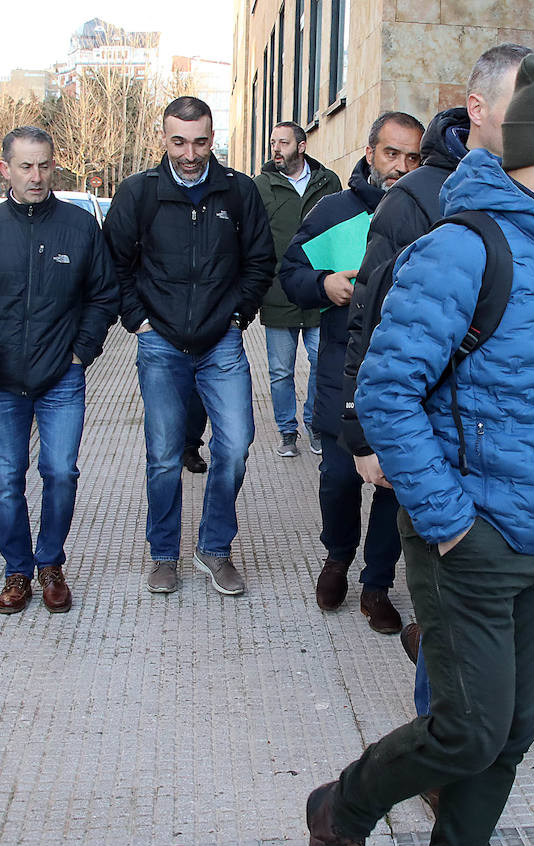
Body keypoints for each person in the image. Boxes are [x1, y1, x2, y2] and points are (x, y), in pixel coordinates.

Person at [302, 54, 534, 846]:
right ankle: (342, 809)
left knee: (514, 731)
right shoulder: (458, 247)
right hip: (469, 541)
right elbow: (385, 392)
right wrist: (449, 523)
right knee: (468, 728)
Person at [0, 125, 119, 615]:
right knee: (7, 478)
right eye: (25, 166)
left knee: (60, 471)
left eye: (44, 166)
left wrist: (82, 351)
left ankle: (51, 562)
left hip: (62, 376)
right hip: (0, 383)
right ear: (5, 169)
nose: (36, 177)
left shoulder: (79, 228)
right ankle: (18, 570)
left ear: (54, 165)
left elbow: (104, 295)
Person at [103, 96, 275, 596]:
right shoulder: (139, 193)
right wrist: (137, 321)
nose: (190, 152)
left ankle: (214, 548)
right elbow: (114, 265)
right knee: (162, 454)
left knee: (237, 445)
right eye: (179, 140)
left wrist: (238, 315)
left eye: (200, 141)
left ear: (212, 137)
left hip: (221, 344)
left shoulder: (238, 192)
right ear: (164, 138)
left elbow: (260, 262)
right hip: (160, 345)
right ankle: (163, 554)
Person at [278, 111, 424, 633]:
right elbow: (289, 273)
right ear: (369, 154)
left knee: (392, 485)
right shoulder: (334, 210)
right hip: (342, 376)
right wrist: (323, 286)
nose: (401, 167)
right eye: (392, 153)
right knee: (338, 480)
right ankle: (337, 556)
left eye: (413, 157)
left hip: (405, 382)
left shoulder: (432, 214)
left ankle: (377, 583)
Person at [254, 121, 343, 457]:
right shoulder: (261, 186)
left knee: (322, 361)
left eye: (284, 142)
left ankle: (314, 424)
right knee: (280, 370)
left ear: (302, 146)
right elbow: (254, 239)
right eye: (273, 142)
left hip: (320, 288)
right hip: (278, 291)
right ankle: (287, 431)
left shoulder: (328, 182)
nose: (277, 149)